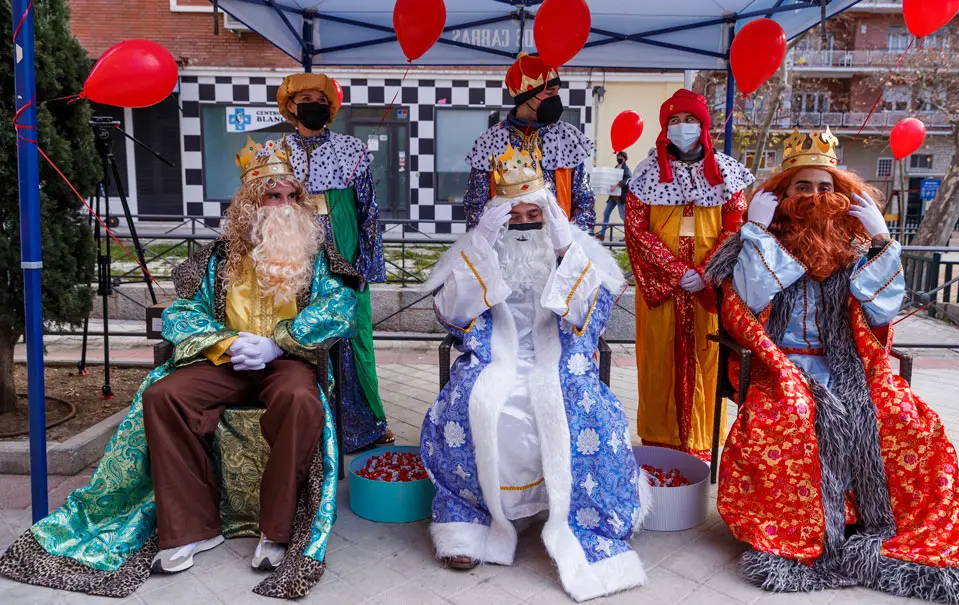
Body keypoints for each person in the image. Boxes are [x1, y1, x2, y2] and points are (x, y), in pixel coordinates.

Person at [0, 137, 360, 599]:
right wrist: (225, 342)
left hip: (285, 361)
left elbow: (341, 307)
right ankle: (193, 526)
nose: (286, 206)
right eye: (274, 195)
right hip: (227, 360)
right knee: (163, 395)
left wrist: (278, 344)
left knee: (298, 398)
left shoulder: (318, 256)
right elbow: (181, 314)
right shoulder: (219, 255)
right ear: (251, 200)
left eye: (293, 196)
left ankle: (278, 529)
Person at [704, 128, 959, 603]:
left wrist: (882, 239)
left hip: (850, 366)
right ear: (781, 194)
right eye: (803, 186)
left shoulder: (856, 243)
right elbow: (751, 299)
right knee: (795, 420)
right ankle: (815, 532)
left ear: (842, 193)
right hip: (782, 369)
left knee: (905, 419)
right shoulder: (755, 240)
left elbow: (882, 311)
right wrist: (755, 232)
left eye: (826, 187)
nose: (816, 197)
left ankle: (878, 524)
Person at [420, 140, 649, 602]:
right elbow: (450, 313)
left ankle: (579, 520)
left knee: (580, 409)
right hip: (495, 362)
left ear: (550, 217)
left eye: (533, 216)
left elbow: (593, 315)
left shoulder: (573, 250)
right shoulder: (479, 249)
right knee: (472, 404)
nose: (524, 227)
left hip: (562, 363)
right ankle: (474, 520)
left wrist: (566, 251)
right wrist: (480, 246)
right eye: (513, 218)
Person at [625, 89, 754, 460]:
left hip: (708, 291)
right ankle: (660, 446)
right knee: (657, 364)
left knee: (707, 360)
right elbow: (636, 230)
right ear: (665, 128)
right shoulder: (647, 174)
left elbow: (736, 227)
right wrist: (677, 272)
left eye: (690, 120)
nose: (683, 128)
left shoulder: (727, 173)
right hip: (662, 289)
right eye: (675, 121)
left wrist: (707, 272)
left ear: (704, 125)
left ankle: (701, 445)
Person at [277, 72, 393, 451]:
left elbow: (369, 212)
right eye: (306, 98)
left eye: (322, 100)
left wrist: (367, 266)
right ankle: (304, 424)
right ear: (291, 106)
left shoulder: (352, 149)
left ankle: (361, 427)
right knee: (298, 333)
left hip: (342, 251)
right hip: (292, 255)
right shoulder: (273, 152)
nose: (316, 105)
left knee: (350, 336)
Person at [463, 52, 596, 232]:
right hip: (506, 249)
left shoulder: (567, 138)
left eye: (557, 92)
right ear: (527, 95)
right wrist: (487, 248)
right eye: (550, 92)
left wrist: (570, 246)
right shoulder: (490, 141)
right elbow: (475, 206)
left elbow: (584, 202)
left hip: (558, 250)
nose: (556, 98)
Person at [597, 151, 630, 241]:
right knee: (606, 213)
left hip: (620, 197)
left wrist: (617, 185)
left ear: (625, 159)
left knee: (623, 216)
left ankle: (628, 236)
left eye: (621, 157)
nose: (619, 158)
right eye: (618, 156)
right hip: (612, 196)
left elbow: (628, 180)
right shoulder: (615, 167)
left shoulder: (626, 169)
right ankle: (602, 235)